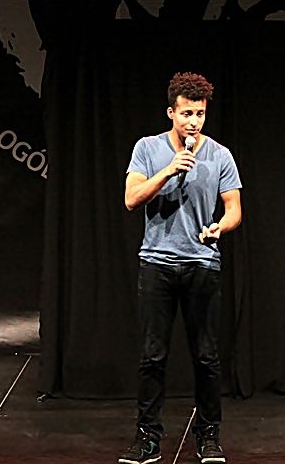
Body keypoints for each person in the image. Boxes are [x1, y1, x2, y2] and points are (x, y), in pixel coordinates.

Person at [118, 72, 242, 464]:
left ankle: (209, 437)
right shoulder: (148, 148)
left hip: (201, 264)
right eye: (187, 113)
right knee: (152, 356)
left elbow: (234, 209)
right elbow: (131, 198)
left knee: (206, 356)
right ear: (171, 112)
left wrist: (220, 226)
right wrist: (169, 170)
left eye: (200, 114)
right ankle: (147, 439)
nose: (194, 121)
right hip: (157, 263)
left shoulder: (220, 155)